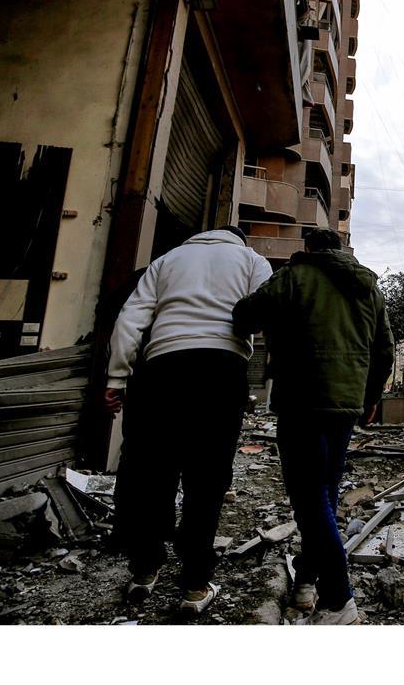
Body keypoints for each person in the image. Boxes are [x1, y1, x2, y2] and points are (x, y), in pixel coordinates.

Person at [104, 225, 272, 614]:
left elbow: (130, 318)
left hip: (162, 367)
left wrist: (116, 377)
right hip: (221, 370)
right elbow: (268, 310)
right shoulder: (252, 260)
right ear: (239, 240)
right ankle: (195, 584)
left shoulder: (167, 260)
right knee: (208, 479)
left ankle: (145, 569)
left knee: (154, 473)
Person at [233, 228, 393, 625]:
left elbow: (245, 316)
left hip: (301, 401)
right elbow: (384, 350)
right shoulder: (368, 287)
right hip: (345, 405)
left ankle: (339, 600)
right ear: (340, 250)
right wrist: (370, 396)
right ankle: (306, 578)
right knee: (323, 495)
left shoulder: (293, 276)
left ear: (308, 248)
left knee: (309, 499)